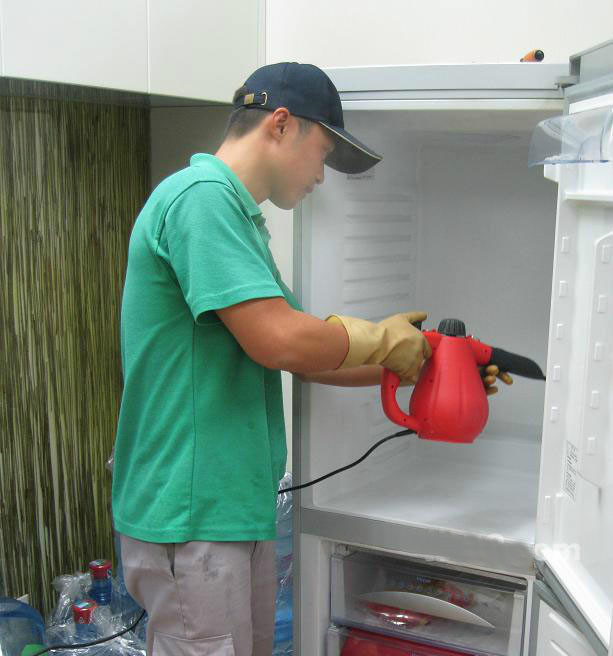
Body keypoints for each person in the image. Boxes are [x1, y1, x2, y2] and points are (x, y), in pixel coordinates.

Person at [111, 62, 510, 656]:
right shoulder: (201, 200)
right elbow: (282, 340)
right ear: (280, 124)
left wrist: (428, 365)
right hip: (191, 511)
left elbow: (306, 355)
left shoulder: (237, 218)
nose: (321, 177)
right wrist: (384, 341)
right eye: (322, 153)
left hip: (225, 509)